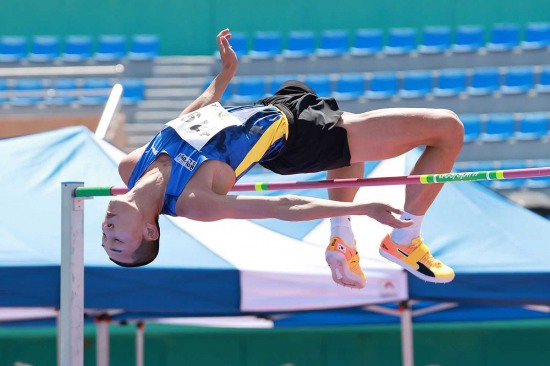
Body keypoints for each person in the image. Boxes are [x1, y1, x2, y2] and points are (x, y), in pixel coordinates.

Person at [102, 28, 464, 288]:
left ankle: (343, 240)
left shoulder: (132, 165)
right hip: (297, 137)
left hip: (273, 109)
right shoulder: (194, 204)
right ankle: (405, 240)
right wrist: (363, 209)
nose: (107, 232)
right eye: (117, 241)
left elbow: (187, 123)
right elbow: (284, 206)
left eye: (104, 239)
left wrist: (224, 75)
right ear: (150, 230)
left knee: (346, 141)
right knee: (447, 128)